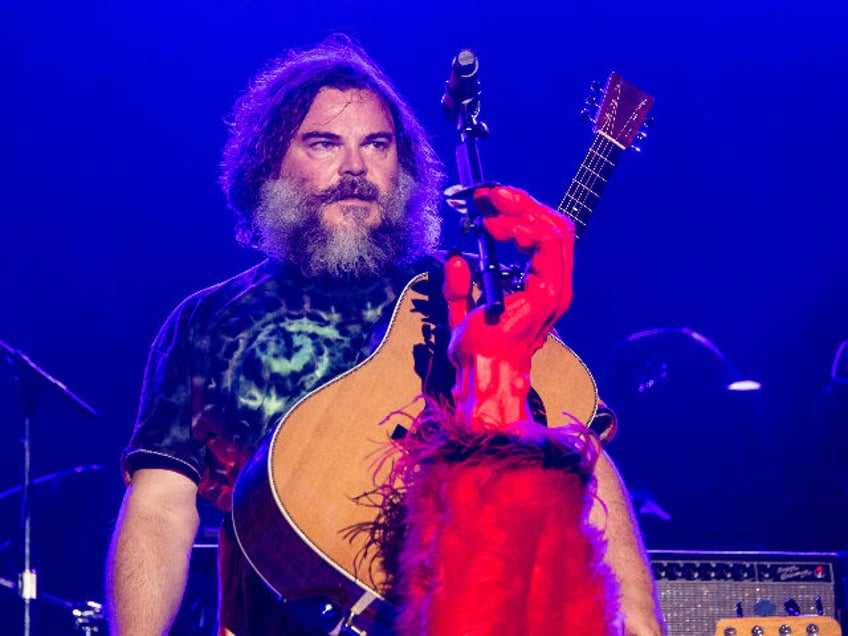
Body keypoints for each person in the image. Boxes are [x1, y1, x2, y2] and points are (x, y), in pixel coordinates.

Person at [106, 35, 666, 635]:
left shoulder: (467, 294)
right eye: (324, 144)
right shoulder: (210, 321)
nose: (355, 168)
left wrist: (640, 625)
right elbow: (161, 503)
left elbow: (577, 455)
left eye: (378, 144)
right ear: (268, 163)